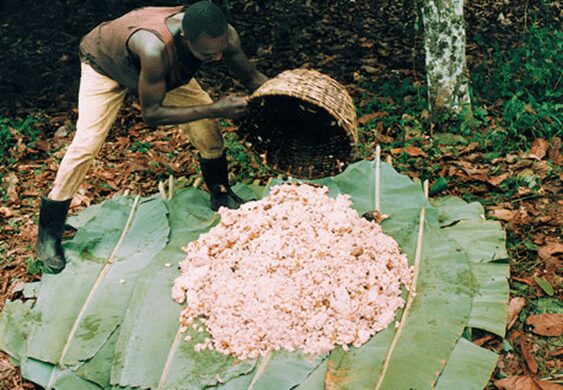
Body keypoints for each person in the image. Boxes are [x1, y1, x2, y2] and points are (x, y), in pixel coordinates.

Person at [36, 1, 269, 273]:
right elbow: (152, 114)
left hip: (160, 76)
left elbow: (252, 77)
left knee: (207, 125)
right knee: (86, 144)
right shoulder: (153, 46)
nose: (217, 58)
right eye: (207, 55)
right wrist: (217, 108)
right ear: (186, 38)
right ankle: (48, 234)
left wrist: (285, 94)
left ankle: (220, 193)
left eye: (219, 52)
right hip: (106, 64)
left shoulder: (222, 37)